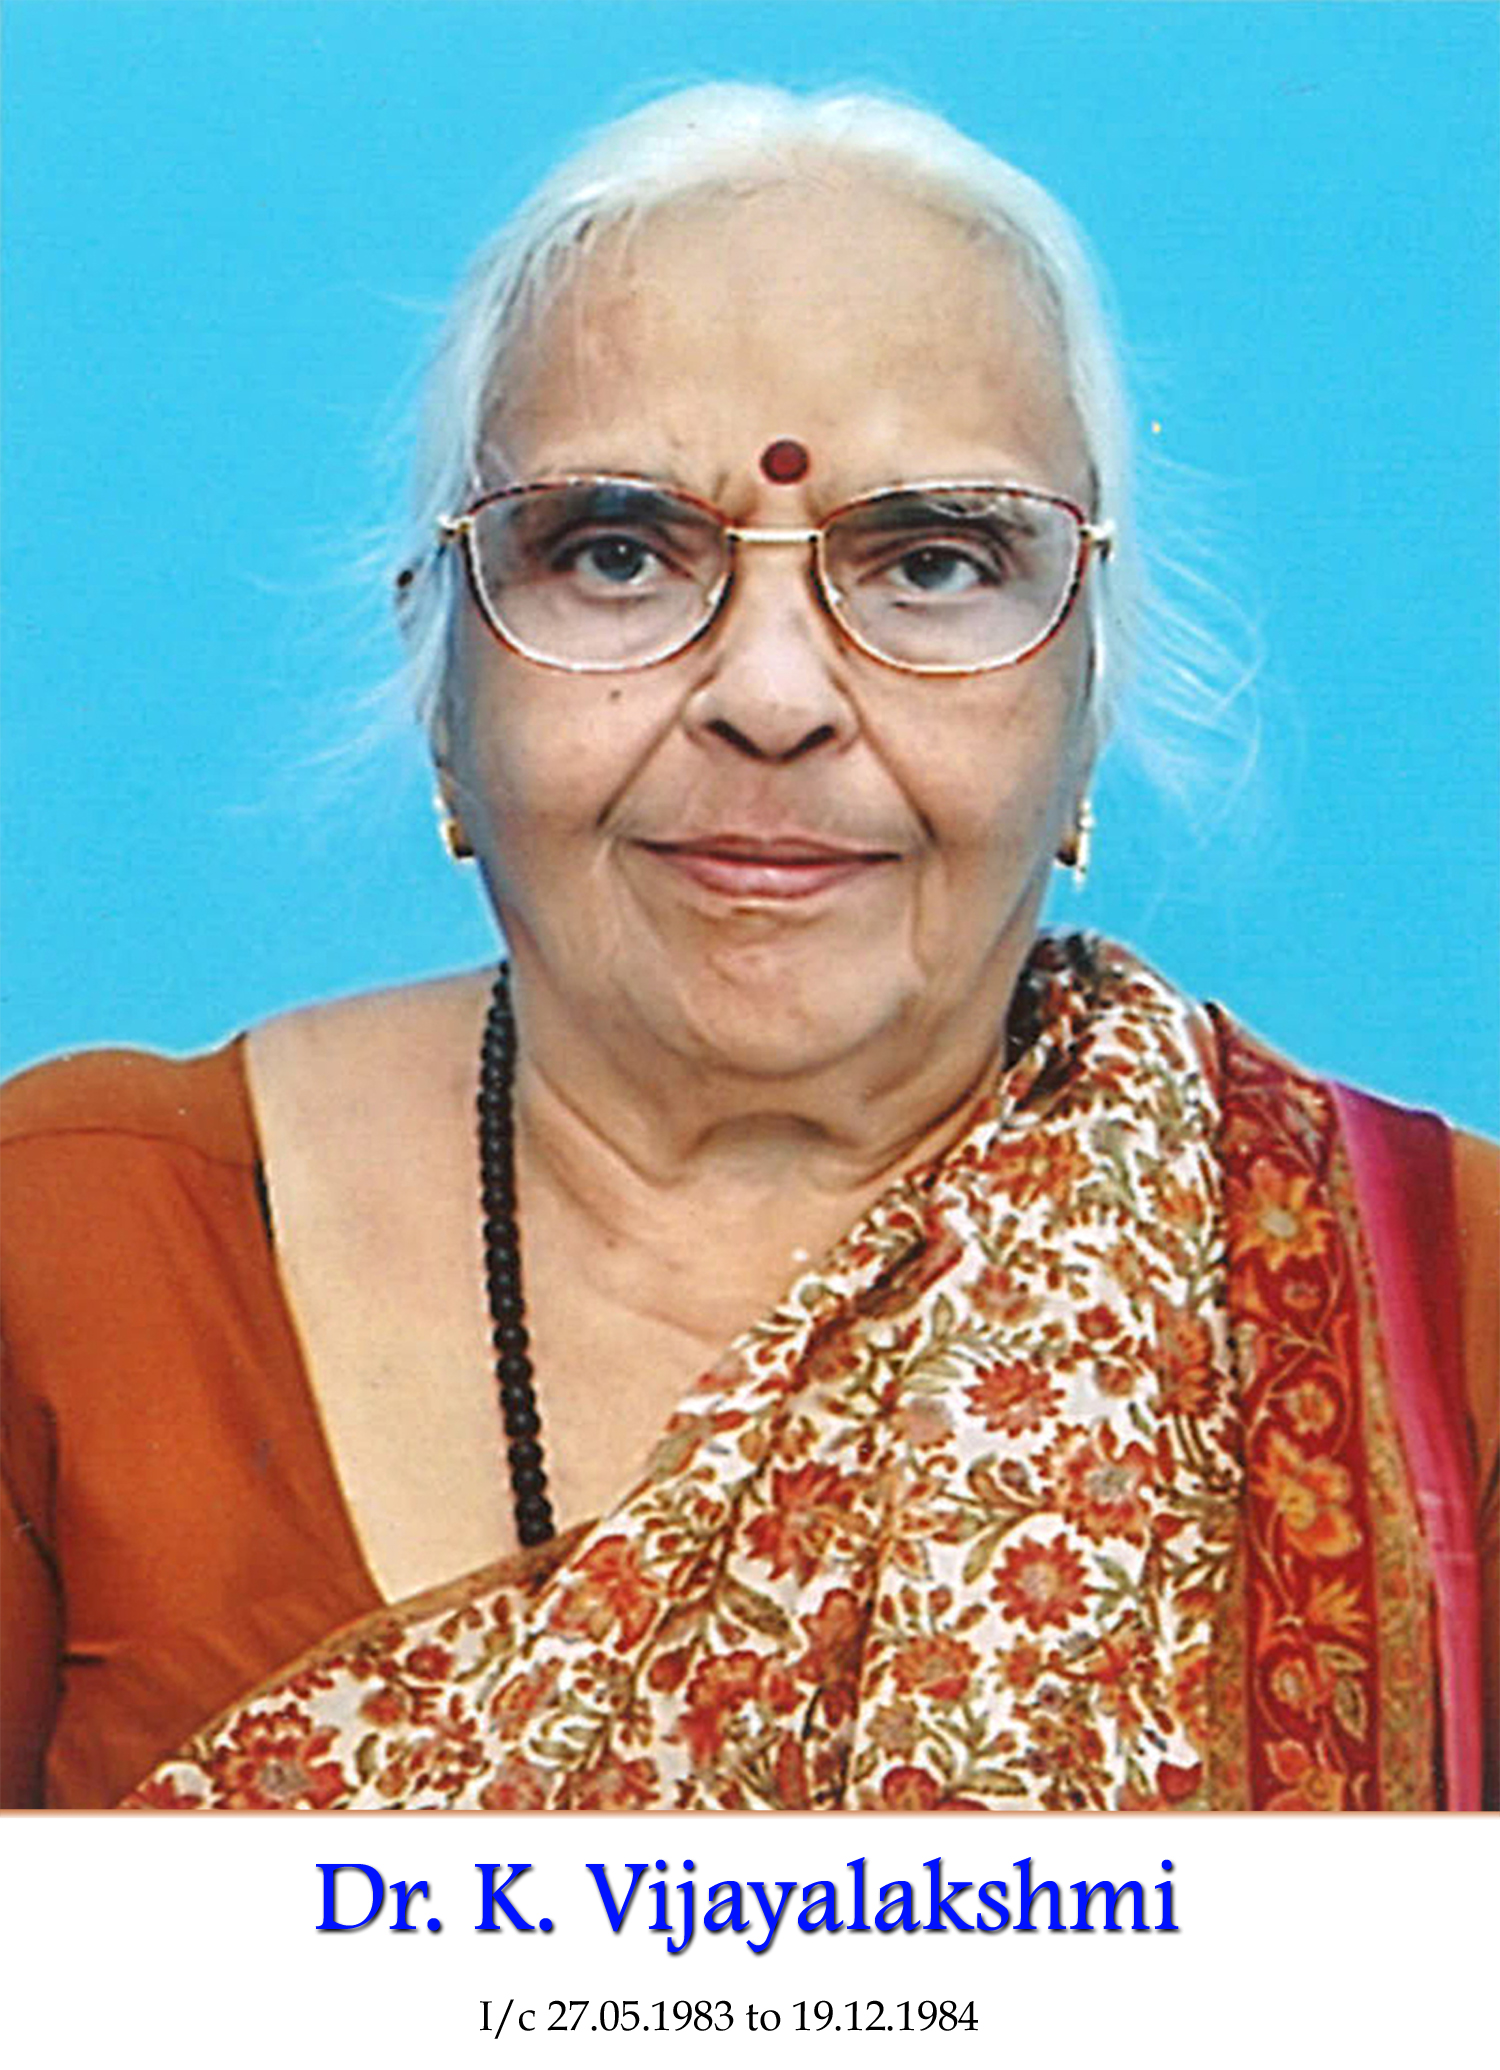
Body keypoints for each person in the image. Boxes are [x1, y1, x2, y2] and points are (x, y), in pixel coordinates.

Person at [2, 85, 1493, 1813]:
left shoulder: (1436, 1309)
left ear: (1088, 694)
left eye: (934, 561)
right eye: (616, 553)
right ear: (444, 688)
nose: (773, 696)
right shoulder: (75, 1261)